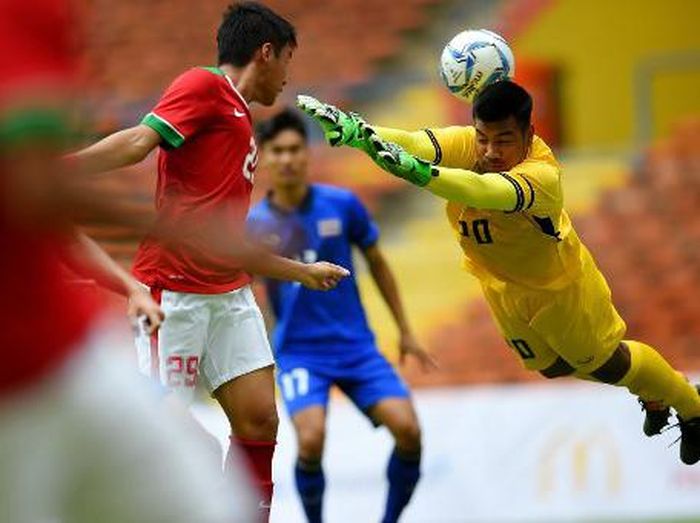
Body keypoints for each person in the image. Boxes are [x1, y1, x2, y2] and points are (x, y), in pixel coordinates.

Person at [297, 80, 700, 466]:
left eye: (503, 140)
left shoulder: (541, 176)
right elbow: (418, 142)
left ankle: (687, 402)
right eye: (483, 138)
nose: (490, 151)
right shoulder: (473, 143)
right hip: (501, 285)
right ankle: (653, 389)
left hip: (558, 290)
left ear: (528, 134)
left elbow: (482, 190)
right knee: (552, 367)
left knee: (609, 363)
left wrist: (419, 173)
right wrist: (359, 132)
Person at [68, 3, 348, 516]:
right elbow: (137, 143)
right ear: (266, 53)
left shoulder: (240, 118)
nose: (288, 76)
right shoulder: (203, 86)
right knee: (174, 444)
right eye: (287, 59)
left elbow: (225, 237)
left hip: (229, 294)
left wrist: (301, 272)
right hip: (173, 294)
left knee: (261, 419)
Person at [0, 0, 256, 521]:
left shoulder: (42, 16)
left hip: (66, 354)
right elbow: (32, 189)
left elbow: (46, 221)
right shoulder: (22, 17)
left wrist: (129, 287)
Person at [248, 109, 436, 522]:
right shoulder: (255, 224)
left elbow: (378, 262)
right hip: (300, 353)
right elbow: (243, 290)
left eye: (295, 149)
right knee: (311, 439)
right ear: (263, 157)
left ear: (307, 154)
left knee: (409, 431)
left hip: (356, 348)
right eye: (277, 151)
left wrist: (405, 330)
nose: (287, 159)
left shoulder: (342, 205)